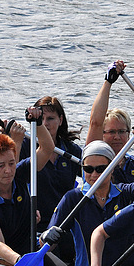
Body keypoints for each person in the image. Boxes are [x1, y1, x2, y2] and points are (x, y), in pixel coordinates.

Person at [47, 127, 134, 266]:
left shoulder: (126, 192)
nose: (94, 174)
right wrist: (47, 237)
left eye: (101, 169)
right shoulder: (73, 198)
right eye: (88, 169)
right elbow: (46, 245)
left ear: (112, 168)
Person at [0, 111, 55, 265]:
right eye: (0, 165)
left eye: (11, 163)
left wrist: (37, 123)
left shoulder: (20, 172)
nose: (8, 170)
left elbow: (47, 149)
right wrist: (20, 262)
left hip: (25, 250)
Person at [84, 60, 134, 183]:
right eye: (111, 132)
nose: (117, 137)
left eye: (121, 131)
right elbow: (95, 123)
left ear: (129, 134)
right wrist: (108, 81)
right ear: (102, 134)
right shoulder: (92, 160)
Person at [33, 95, 83, 226]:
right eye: (40, 119)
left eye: (50, 118)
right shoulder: (25, 148)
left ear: (60, 120)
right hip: (34, 222)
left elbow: (92, 176)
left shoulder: (72, 150)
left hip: (64, 222)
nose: (45, 124)